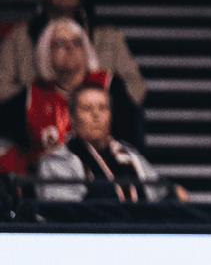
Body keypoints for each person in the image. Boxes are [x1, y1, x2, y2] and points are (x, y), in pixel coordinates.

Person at [0, 18, 141, 173]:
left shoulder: (109, 85)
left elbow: (129, 139)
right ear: (46, 52)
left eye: (77, 42)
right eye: (60, 43)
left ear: (86, 49)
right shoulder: (33, 94)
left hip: (103, 178)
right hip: (48, 180)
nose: (70, 48)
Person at [0, 0, 145, 105]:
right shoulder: (19, 38)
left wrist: (98, 101)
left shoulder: (108, 38)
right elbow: (2, 86)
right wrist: (38, 98)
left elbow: (137, 87)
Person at [35, 83, 182, 203]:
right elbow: (67, 215)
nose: (96, 115)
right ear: (72, 118)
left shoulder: (129, 155)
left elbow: (159, 193)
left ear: (110, 115)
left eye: (102, 108)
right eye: (87, 109)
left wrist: (174, 193)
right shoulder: (56, 162)